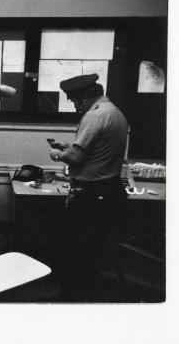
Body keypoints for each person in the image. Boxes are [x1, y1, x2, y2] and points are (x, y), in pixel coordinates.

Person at [48, 73, 128, 298]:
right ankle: (85, 296)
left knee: (77, 252)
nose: (74, 106)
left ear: (83, 98)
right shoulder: (115, 112)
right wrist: (70, 146)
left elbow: (75, 159)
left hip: (90, 196)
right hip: (109, 192)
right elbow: (95, 149)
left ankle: (70, 298)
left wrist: (57, 154)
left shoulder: (94, 116)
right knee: (92, 251)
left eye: (74, 101)